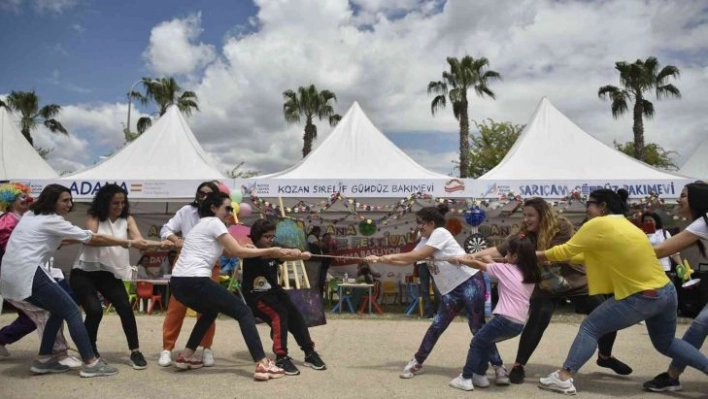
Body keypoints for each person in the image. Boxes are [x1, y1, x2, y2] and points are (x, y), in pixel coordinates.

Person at [535, 188, 708, 395]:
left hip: (643, 295)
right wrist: (556, 257)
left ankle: (564, 376)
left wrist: (536, 255)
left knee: (591, 327)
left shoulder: (598, 223)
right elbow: (585, 256)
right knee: (666, 343)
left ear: (602, 207)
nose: (586, 209)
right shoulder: (628, 225)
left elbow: (566, 250)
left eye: (589, 204)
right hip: (665, 291)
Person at [471, 197, 630, 384]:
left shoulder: (561, 227)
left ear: (543, 215)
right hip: (546, 286)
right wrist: (472, 255)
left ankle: (605, 357)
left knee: (606, 315)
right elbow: (499, 250)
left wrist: (522, 255)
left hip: (575, 282)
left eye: (531, 215)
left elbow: (557, 253)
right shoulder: (524, 235)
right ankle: (519, 365)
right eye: (525, 215)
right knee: (537, 320)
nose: (526, 220)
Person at [0, 184, 137, 377]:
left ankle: (44, 360)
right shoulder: (53, 220)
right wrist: (129, 242)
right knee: (72, 310)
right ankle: (91, 363)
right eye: (65, 200)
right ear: (52, 201)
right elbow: (92, 238)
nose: (69, 204)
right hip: (28, 272)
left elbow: (65, 240)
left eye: (70, 200)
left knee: (57, 310)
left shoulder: (32, 215)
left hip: (10, 274)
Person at [366, 204, 505, 384]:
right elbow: (409, 260)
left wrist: (386, 257)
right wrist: (378, 258)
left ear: (431, 223)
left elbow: (417, 255)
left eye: (420, 223)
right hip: (450, 291)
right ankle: (417, 361)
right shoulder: (424, 241)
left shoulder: (440, 233)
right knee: (437, 326)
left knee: (477, 327)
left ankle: (499, 367)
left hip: (470, 282)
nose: (418, 226)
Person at [169, 191, 295, 381]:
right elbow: (236, 251)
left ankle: (185, 356)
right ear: (213, 208)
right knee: (243, 312)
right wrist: (273, 250)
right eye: (227, 208)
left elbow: (228, 253)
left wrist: (252, 249)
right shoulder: (214, 223)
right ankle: (262, 363)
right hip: (195, 280)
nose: (230, 211)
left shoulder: (201, 225)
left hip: (178, 283)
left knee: (210, 312)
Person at [70, 184, 168, 370]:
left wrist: (163, 244)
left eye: (123, 202)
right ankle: (90, 351)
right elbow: (94, 240)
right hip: (84, 272)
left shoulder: (127, 219)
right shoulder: (94, 216)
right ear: (105, 202)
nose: (120, 206)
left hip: (108, 272)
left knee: (125, 307)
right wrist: (127, 242)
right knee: (94, 311)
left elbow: (140, 243)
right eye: (115, 202)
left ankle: (135, 351)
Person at [0, 183, 79, 368]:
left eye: (27, 196)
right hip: (19, 275)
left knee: (35, 316)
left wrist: (85, 238)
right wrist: (87, 237)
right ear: (10, 201)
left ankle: (50, 353)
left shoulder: (29, 217)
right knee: (47, 312)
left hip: (38, 272)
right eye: (21, 197)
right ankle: (57, 353)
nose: (27, 200)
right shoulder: (6, 221)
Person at [448, 233, 541, 391]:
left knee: (477, 342)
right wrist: (489, 261)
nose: (505, 255)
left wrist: (459, 260)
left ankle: (465, 377)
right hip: (518, 324)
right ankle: (480, 375)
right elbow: (500, 269)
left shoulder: (504, 269)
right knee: (486, 342)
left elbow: (479, 266)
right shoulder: (529, 274)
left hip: (504, 320)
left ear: (516, 256)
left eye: (508, 253)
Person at [643, 181, 708, 392]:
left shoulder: (702, 223)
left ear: (697, 199)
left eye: (684, 195)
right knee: (699, 327)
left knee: (699, 326)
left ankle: (672, 376)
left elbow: (660, 250)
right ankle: (672, 376)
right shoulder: (702, 223)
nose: (679, 199)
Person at [242, 219, 326, 376]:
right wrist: (287, 251)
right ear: (256, 236)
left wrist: (301, 255)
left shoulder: (272, 250)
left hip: (274, 291)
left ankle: (309, 352)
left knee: (295, 315)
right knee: (279, 314)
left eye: (272, 236)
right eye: (267, 236)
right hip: (256, 295)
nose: (270, 240)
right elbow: (274, 253)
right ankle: (281, 356)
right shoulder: (252, 251)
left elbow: (283, 256)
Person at [158, 181, 220, 367]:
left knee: (208, 308)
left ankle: (206, 348)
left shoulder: (218, 215)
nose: (203, 196)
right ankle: (167, 349)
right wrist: (175, 239)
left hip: (209, 263)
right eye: (201, 193)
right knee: (176, 307)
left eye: (208, 194)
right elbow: (165, 229)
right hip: (185, 262)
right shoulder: (186, 211)